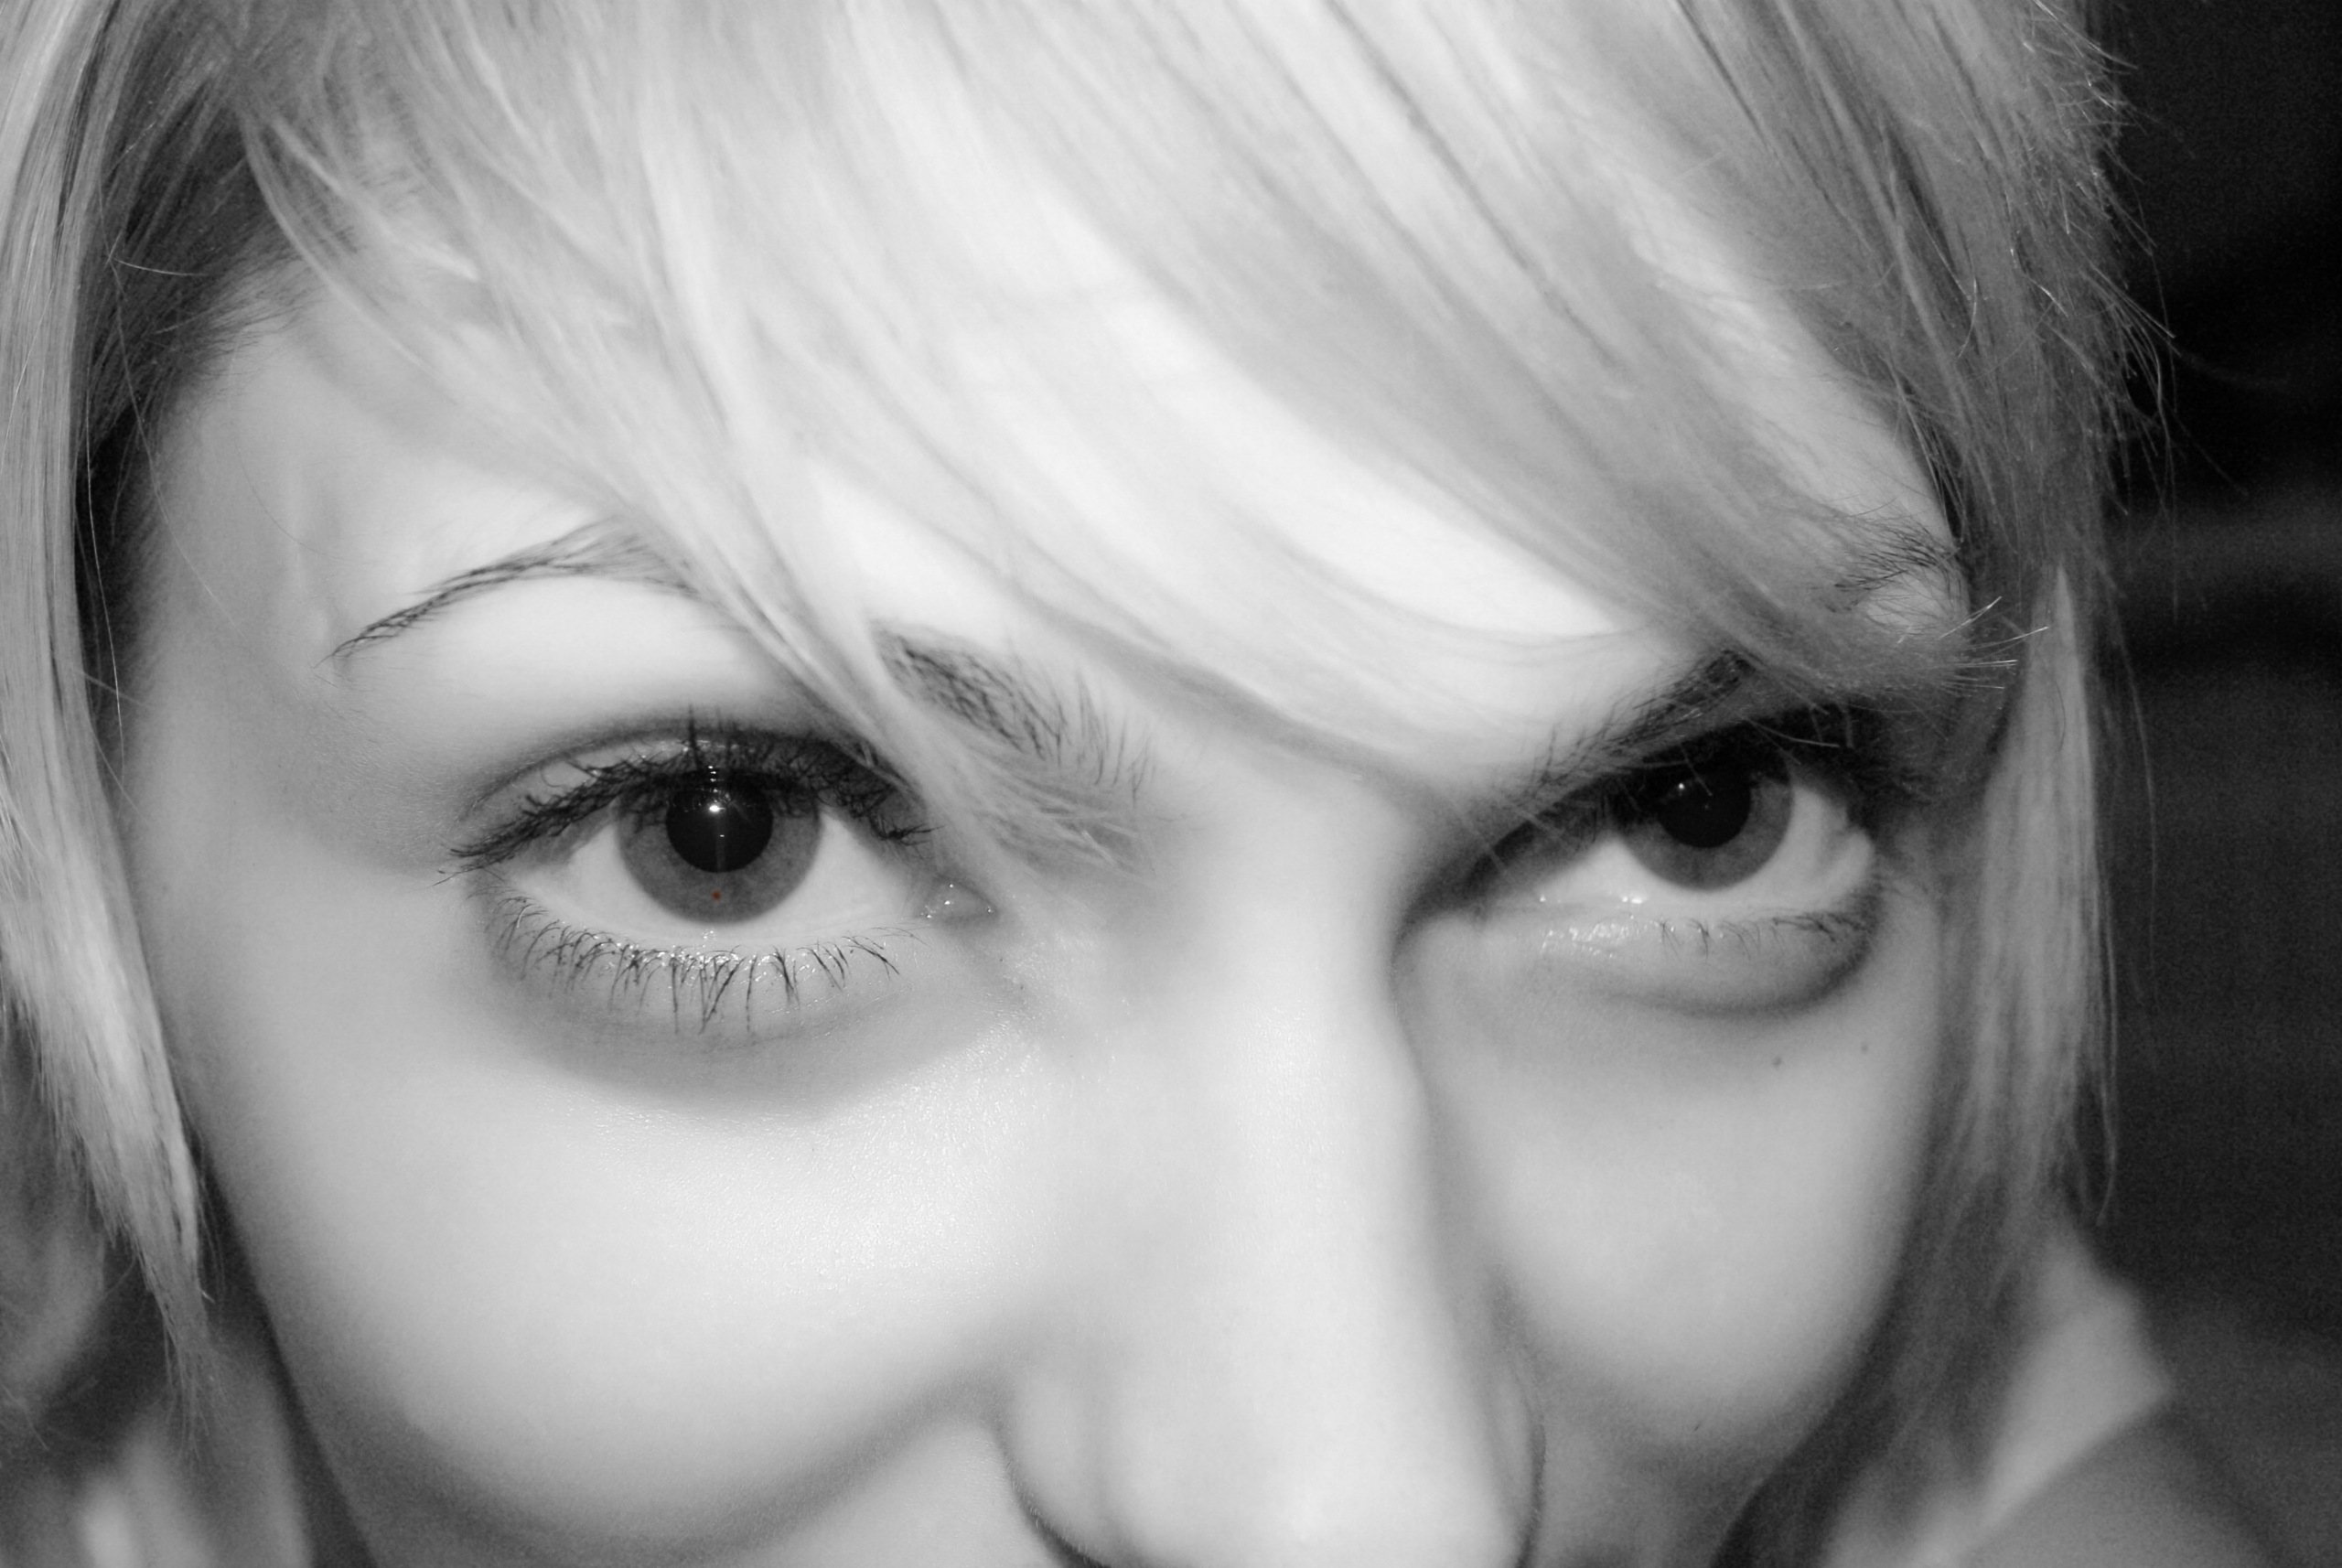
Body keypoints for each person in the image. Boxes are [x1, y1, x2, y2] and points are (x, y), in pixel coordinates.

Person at [0, 0, 2275, 1563]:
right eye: (732, 838)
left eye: (1695, 805)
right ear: (61, 816)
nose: (1373, 1505)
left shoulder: (1892, 1327)